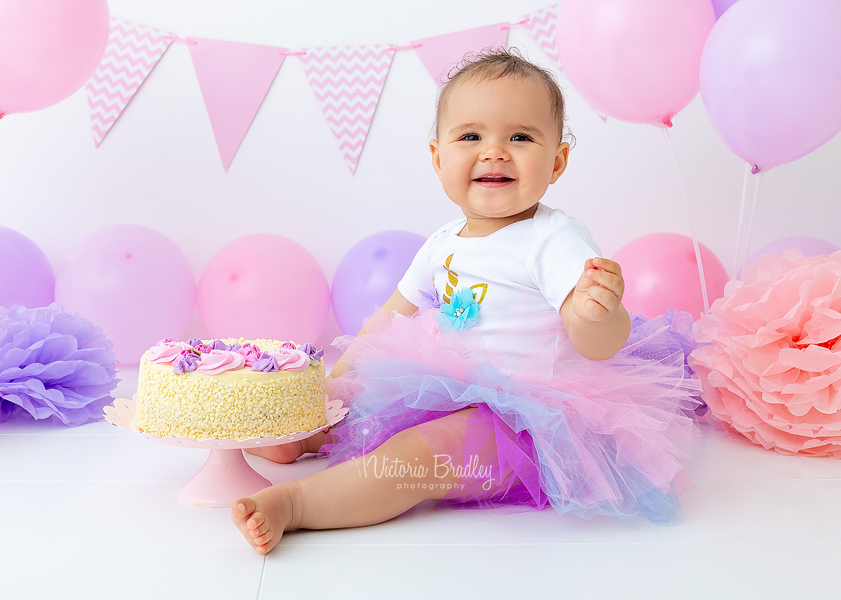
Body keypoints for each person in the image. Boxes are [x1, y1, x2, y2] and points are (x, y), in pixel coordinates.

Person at [233, 48, 701, 555]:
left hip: (525, 423)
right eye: (471, 136)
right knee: (353, 397)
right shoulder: (441, 243)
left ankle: (299, 504)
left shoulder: (554, 238)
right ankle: (304, 437)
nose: (495, 151)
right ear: (438, 158)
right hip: (442, 387)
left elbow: (599, 345)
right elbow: (389, 319)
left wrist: (599, 312)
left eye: (520, 137)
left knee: (416, 458)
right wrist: (331, 383)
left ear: (558, 161)